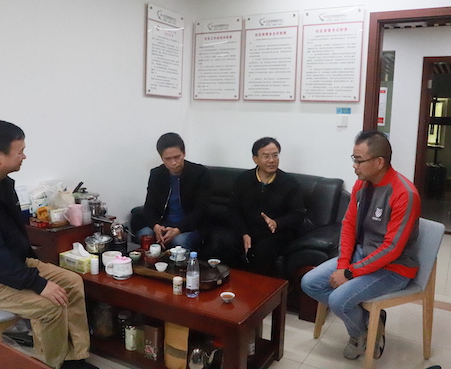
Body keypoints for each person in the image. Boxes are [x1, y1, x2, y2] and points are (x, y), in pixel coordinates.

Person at [0, 120, 97, 369]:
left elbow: (11, 241)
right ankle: (52, 365)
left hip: (6, 267)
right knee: (50, 305)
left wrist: (34, 270)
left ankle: (74, 358)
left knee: (73, 283)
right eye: (20, 151)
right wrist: (38, 284)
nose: (24, 156)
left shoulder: (1, 183)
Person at [301, 130, 421, 360]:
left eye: (359, 160)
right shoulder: (362, 185)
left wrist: (349, 273)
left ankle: (357, 335)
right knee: (310, 282)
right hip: (361, 255)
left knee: (338, 300)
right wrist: (343, 265)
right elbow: (348, 225)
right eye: (353, 159)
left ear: (379, 162)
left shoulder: (404, 194)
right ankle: (367, 327)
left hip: (393, 268)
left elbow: (392, 249)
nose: (354, 166)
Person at [226, 137, 305, 276]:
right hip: (248, 230)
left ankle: (260, 288)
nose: (272, 160)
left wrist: (277, 223)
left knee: (264, 250)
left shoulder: (289, 183)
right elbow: (233, 210)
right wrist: (243, 233)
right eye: (266, 156)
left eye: (275, 155)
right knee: (226, 244)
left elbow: (298, 214)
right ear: (255, 159)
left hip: (276, 234)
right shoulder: (243, 179)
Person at [137, 132, 211, 251]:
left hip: (191, 227)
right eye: (168, 159)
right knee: (144, 235)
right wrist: (156, 226)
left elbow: (201, 209)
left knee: (179, 241)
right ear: (161, 158)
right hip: (164, 224)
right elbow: (149, 206)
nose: (174, 163)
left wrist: (178, 229)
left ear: (184, 153)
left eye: (177, 157)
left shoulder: (200, 173)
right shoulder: (156, 174)